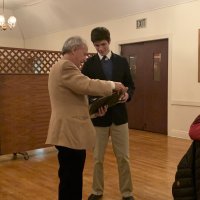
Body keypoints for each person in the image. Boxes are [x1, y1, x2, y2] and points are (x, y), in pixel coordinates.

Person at [45, 36, 127, 200]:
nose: (84, 59)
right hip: (70, 134)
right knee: (71, 180)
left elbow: (72, 104)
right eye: (83, 54)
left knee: (70, 179)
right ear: (74, 50)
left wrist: (95, 112)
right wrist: (113, 85)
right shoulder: (66, 66)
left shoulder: (58, 67)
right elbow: (87, 85)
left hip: (68, 133)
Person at [82, 27, 135, 200]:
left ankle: (127, 193)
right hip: (99, 119)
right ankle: (97, 191)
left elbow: (131, 85)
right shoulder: (89, 65)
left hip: (120, 117)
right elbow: (85, 90)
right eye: (97, 45)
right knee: (97, 158)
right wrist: (94, 105)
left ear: (109, 41)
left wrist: (127, 95)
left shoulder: (122, 61)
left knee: (124, 158)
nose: (100, 49)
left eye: (103, 44)